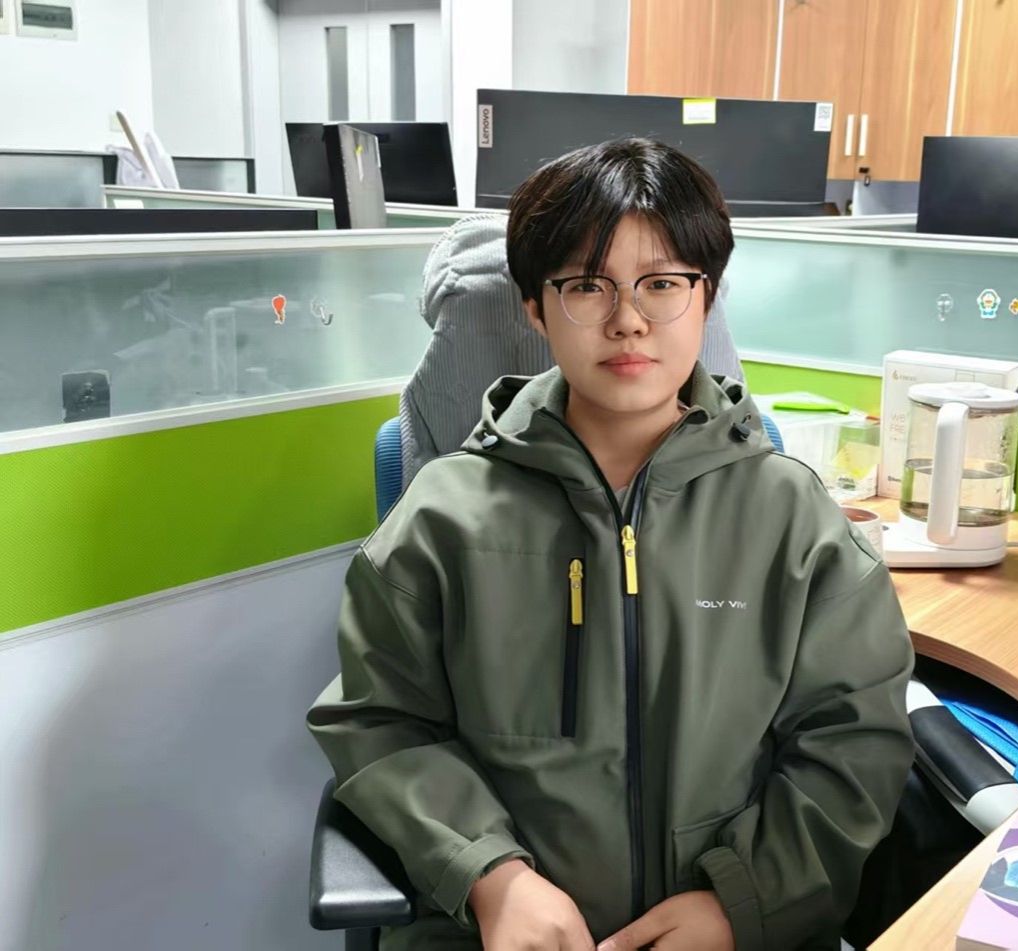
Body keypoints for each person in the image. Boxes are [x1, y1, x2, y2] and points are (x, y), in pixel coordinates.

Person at [307, 138, 915, 951]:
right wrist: (490, 875)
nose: (627, 318)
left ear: (707, 297)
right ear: (535, 307)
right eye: (588, 285)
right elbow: (381, 723)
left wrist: (741, 902)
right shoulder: (445, 518)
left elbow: (854, 741)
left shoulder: (791, 520)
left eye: (662, 284)